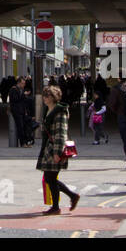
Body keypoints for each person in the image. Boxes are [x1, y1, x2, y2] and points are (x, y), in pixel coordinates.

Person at [37, 85, 79, 214]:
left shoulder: (60, 111)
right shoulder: (48, 110)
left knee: (50, 177)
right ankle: (68, 198)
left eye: (47, 96)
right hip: (48, 148)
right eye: (44, 95)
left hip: (54, 149)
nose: (45, 98)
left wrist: (57, 152)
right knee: (50, 178)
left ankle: (59, 205)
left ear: (54, 97)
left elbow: (61, 133)